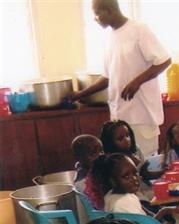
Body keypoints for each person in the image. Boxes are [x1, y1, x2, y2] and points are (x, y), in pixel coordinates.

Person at [71, 0, 171, 156]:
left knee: (144, 162)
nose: (95, 19)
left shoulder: (139, 30)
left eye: (97, 14)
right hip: (120, 117)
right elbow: (107, 77)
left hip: (142, 116)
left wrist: (137, 82)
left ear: (109, 10)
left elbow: (164, 61)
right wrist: (80, 94)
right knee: (122, 164)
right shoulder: (109, 38)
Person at [93, 153, 179, 224]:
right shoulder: (124, 202)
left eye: (135, 173)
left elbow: (144, 215)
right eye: (126, 176)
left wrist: (161, 220)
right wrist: (163, 212)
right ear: (113, 181)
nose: (134, 179)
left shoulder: (110, 196)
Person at [101, 119, 162, 201]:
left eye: (127, 135)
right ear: (110, 142)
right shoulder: (112, 161)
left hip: (145, 188)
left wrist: (162, 172)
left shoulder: (136, 150)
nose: (127, 140)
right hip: (130, 195)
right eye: (120, 138)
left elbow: (145, 174)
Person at [72, 134, 105, 210]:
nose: (100, 155)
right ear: (79, 158)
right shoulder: (84, 182)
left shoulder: (90, 170)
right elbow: (100, 207)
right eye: (93, 153)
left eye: (102, 151)